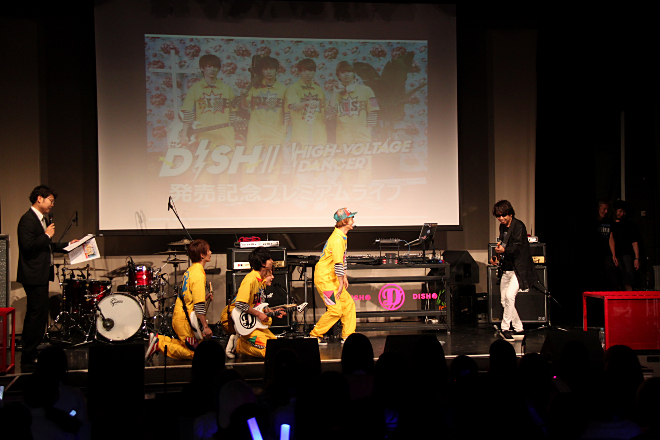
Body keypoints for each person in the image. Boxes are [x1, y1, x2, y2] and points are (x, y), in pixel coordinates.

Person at [17, 185, 78, 365]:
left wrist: (68, 245)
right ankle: (28, 354)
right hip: (33, 275)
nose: (52, 204)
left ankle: (31, 350)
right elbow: (28, 245)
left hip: (40, 274)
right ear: (39, 198)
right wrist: (46, 235)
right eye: (50, 200)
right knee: (36, 314)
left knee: (38, 313)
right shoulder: (28, 219)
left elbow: (46, 246)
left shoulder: (40, 219)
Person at [146, 239, 214, 361]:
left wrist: (204, 298)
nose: (210, 252)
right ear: (202, 255)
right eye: (208, 250)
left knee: (187, 345)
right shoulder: (198, 274)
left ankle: (159, 339)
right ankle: (159, 344)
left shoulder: (190, 271)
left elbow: (189, 297)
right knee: (196, 354)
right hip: (184, 320)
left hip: (180, 317)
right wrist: (205, 326)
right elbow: (198, 305)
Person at [489, 200, 538, 342]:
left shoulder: (519, 226)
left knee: (510, 296)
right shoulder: (502, 227)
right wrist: (496, 257)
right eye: (498, 216)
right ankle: (519, 328)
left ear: (510, 213)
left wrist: (504, 250)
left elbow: (517, 248)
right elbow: (502, 245)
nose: (501, 218)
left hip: (519, 268)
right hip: (507, 268)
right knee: (504, 300)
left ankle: (505, 328)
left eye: (503, 215)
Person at [308, 208, 357, 344]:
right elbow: (338, 264)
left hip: (333, 277)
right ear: (344, 222)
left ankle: (348, 336)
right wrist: (341, 283)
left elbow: (342, 259)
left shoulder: (341, 236)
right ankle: (315, 335)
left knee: (348, 305)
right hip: (325, 279)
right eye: (351, 218)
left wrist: (344, 277)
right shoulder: (337, 240)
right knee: (335, 310)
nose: (353, 221)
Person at [225, 247, 283, 359]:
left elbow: (258, 305)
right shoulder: (250, 279)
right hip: (245, 323)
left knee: (277, 346)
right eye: (269, 259)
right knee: (269, 352)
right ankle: (238, 344)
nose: (272, 261)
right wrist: (258, 314)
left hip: (255, 323)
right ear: (262, 263)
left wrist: (272, 312)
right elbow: (240, 304)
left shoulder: (261, 281)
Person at [179, 54, 237, 152]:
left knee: (227, 159)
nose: (212, 69)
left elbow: (232, 114)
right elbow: (188, 113)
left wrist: (233, 130)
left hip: (225, 134)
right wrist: (184, 134)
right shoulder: (195, 89)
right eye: (209, 66)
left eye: (215, 67)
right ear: (202, 68)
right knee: (205, 160)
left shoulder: (227, 89)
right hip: (203, 134)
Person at [242, 56, 287, 155]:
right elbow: (245, 106)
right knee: (251, 158)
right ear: (261, 71)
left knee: (275, 160)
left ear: (277, 70)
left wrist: (283, 131)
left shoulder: (283, 89)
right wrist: (244, 98)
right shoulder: (254, 87)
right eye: (265, 69)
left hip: (275, 132)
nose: (269, 72)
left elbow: (287, 112)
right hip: (256, 131)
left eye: (272, 69)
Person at [327, 61, 379, 146]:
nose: (346, 74)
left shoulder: (367, 90)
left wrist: (368, 131)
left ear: (354, 73)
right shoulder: (335, 93)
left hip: (362, 137)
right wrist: (335, 92)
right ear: (338, 75)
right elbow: (330, 114)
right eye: (343, 72)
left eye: (349, 71)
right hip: (343, 138)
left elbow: (373, 111)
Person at [284, 58, 327, 148]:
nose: (307, 73)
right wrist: (307, 103)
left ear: (314, 72)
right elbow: (293, 106)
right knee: (301, 154)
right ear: (299, 72)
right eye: (304, 70)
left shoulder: (318, 90)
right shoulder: (293, 88)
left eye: (310, 70)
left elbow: (323, 111)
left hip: (318, 131)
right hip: (301, 131)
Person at [609, 200, 641, 290]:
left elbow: (634, 241)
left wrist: (637, 258)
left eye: (623, 212)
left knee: (628, 280)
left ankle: (629, 297)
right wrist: (613, 254)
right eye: (620, 211)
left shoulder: (629, 225)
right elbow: (611, 239)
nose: (621, 214)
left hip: (626, 254)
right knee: (615, 280)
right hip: (614, 255)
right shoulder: (611, 224)